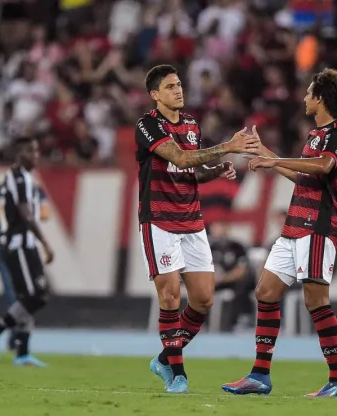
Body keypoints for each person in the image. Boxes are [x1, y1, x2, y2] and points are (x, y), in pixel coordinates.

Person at [222, 68, 337, 398]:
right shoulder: (316, 136)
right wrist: (265, 154)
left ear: (322, 98)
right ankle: (259, 376)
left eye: (309, 93)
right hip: (294, 227)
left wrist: (275, 160)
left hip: (318, 227)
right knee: (266, 292)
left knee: (316, 300)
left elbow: (324, 167)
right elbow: (304, 178)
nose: (304, 98)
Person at [135, 64, 259, 393]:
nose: (178, 90)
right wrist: (228, 146)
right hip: (159, 219)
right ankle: (177, 373)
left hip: (191, 221)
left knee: (203, 300)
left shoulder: (190, 124)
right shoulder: (147, 125)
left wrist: (216, 169)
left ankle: (164, 357)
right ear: (155, 95)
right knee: (170, 295)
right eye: (171, 87)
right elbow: (179, 156)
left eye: (179, 84)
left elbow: (190, 169)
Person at [0, 137, 55, 367]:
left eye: (36, 151)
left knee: (29, 298)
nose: (36, 155)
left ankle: (22, 352)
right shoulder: (17, 178)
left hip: (25, 244)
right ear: (18, 153)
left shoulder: (26, 178)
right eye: (30, 151)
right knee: (37, 296)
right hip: (19, 244)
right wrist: (45, 242)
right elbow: (25, 213)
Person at [0, 181, 50, 351]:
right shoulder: (3, 189)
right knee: (16, 294)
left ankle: (9, 336)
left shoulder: (35, 190)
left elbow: (44, 214)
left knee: (28, 295)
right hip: (10, 248)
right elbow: (1, 215)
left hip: (27, 248)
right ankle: (15, 339)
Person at [209, 220, 256, 331]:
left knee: (243, 283)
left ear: (227, 228)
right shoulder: (209, 247)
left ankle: (242, 319)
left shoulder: (237, 246)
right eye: (216, 227)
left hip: (232, 282)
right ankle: (200, 321)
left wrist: (224, 278)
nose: (219, 230)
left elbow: (241, 269)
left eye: (222, 226)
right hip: (213, 282)